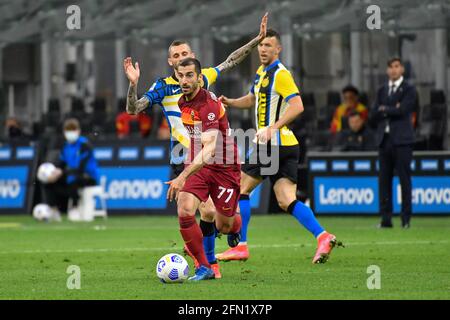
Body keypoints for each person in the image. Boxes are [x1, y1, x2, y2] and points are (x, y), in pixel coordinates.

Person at [123, 13, 268, 278]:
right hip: (185, 154)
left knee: (221, 220)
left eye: (185, 54)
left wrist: (255, 41)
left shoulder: (203, 81)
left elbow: (230, 61)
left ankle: (233, 230)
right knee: (198, 210)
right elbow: (134, 109)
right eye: (176, 56)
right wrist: (133, 85)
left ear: (194, 62)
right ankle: (208, 265)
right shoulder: (164, 87)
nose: (180, 59)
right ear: (171, 63)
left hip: (218, 156)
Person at [217, 29, 341, 264]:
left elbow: (297, 106)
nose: (263, 49)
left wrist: (273, 127)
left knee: (240, 189)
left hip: (272, 144)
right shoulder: (262, 72)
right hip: (287, 145)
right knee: (286, 199)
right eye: (261, 45)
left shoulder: (281, 74)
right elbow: (254, 98)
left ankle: (241, 246)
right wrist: (231, 102)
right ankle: (323, 236)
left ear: (278, 49)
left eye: (268, 45)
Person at [166, 58, 242, 281]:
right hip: (199, 162)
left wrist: (182, 176)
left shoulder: (208, 105)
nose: (184, 80)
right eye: (180, 75)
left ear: (200, 78)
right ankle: (204, 266)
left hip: (224, 165)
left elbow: (210, 148)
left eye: (189, 75)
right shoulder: (182, 102)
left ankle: (235, 227)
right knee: (185, 208)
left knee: (224, 224)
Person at [370, 57, 417, 229]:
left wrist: (385, 109)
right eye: (390, 67)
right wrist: (390, 109)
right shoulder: (382, 90)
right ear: (387, 70)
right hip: (384, 140)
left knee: (405, 180)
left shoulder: (409, 89)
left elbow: (404, 109)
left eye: (396, 66)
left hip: (403, 141)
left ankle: (406, 219)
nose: (393, 70)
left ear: (402, 69)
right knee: (384, 181)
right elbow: (373, 114)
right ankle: (386, 219)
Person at [42, 118, 99, 221]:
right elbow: (62, 163)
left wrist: (62, 172)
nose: (70, 133)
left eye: (73, 130)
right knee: (48, 182)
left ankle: (75, 207)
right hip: (70, 175)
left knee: (74, 180)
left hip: (88, 177)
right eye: (68, 131)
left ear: (78, 131)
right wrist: (54, 172)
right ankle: (54, 209)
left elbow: (80, 168)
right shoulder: (66, 146)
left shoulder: (84, 145)